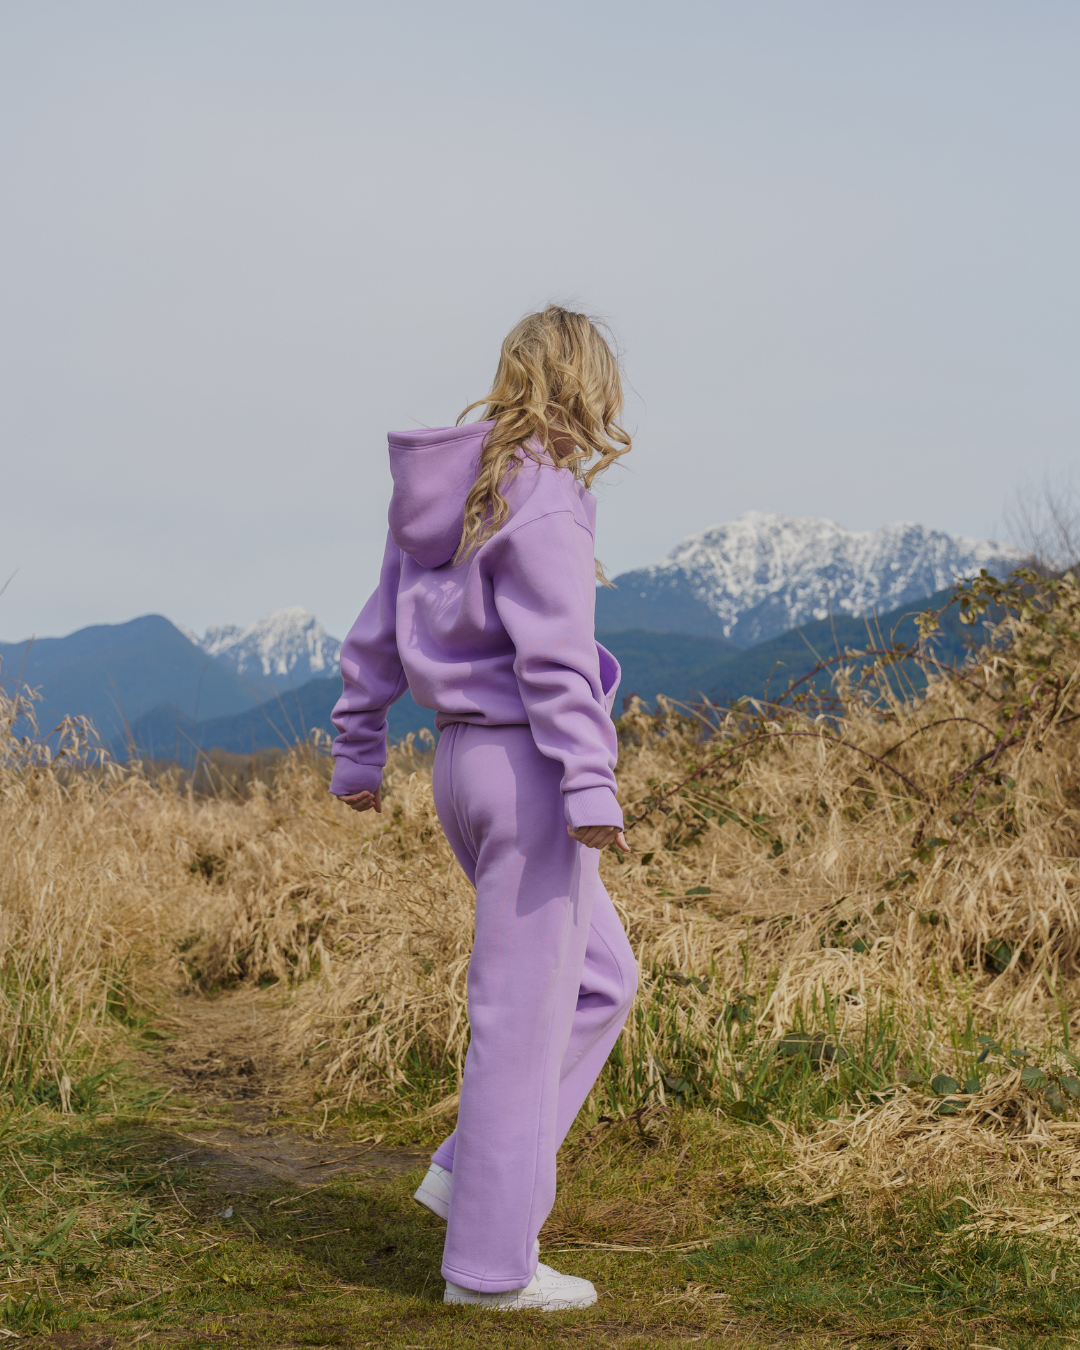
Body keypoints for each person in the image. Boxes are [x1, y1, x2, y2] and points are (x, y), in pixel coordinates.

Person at [329, 306, 639, 1312]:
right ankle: (492, 1272)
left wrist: (359, 748)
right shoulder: (544, 501)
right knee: (520, 1020)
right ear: (585, 387)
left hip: (458, 770)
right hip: (530, 774)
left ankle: (472, 1176)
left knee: (602, 980)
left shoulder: (444, 495)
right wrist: (592, 786)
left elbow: (375, 633)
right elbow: (554, 663)